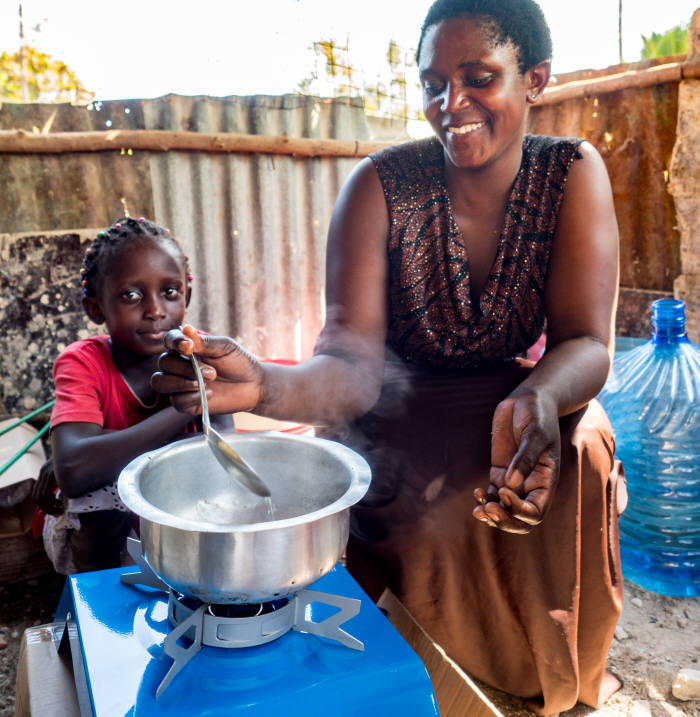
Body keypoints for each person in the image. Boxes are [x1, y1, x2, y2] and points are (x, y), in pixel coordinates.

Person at [152, 0, 626, 713]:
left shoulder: (570, 175)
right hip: (391, 406)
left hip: (514, 387)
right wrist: (262, 387)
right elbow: (349, 366)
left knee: (582, 448)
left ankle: (550, 681)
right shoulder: (379, 189)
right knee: (425, 507)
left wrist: (540, 400)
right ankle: (421, 686)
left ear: (535, 78)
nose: (451, 103)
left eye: (478, 77)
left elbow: (587, 340)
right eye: (434, 82)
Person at [40, 216, 231, 575]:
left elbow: (222, 456)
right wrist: (184, 409)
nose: (156, 310)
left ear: (186, 297)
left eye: (170, 292)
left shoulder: (201, 353)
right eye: (131, 295)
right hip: (98, 538)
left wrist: (100, 447)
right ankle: (99, 607)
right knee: (100, 502)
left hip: (178, 515)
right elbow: (76, 473)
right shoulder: (83, 362)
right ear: (96, 308)